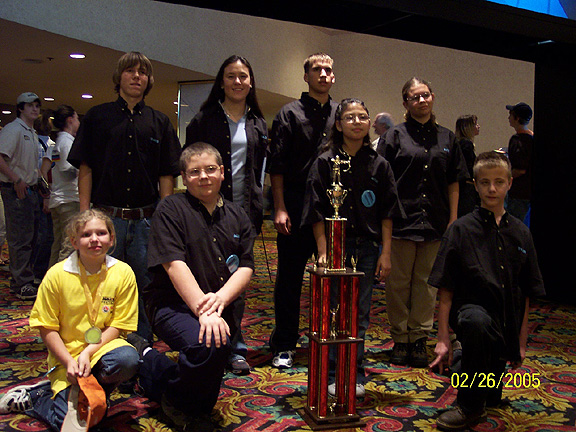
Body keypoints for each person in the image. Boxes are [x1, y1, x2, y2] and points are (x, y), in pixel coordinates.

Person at [126, 143, 255, 432]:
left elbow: (245, 267)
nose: (204, 176)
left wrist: (219, 300)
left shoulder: (238, 215)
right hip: (172, 305)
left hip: (220, 305)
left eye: (210, 169)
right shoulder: (170, 209)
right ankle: (174, 403)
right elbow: (174, 265)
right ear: (184, 178)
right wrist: (204, 311)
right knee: (208, 344)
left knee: (214, 350)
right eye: (195, 172)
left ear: (222, 172)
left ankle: (151, 365)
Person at [68, 52, 182, 341]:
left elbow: (166, 175)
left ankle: (141, 344)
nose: (136, 76)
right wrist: (85, 215)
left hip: (146, 221)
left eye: (142, 72)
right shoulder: (97, 117)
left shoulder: (160, 122)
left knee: (145, 284)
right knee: (101, 284)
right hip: (106, 219)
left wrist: (163, 218)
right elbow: (86, 167)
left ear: (148, 80)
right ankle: (98, 343)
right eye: (130, 71)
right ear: (119, 77)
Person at [428, 151, 545, 431]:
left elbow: (525, 293)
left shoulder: (521, 233)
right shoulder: (460, 230)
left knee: (491, 392)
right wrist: (443, 337)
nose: (492, 189)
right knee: (476, 323)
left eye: (499, 182)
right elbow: (446, 287)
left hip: (505, 320)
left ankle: (472, 370)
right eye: (485, 182)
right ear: (476, 185)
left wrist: (521, 342)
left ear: (509, 184)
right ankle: (469, 406)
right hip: (472, 315)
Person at [0, 209, 140, 430]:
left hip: (102, 349)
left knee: (127, 360)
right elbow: (47, 327)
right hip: (66, 357)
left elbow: (119, 325)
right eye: (86, 235)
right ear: (74, 242)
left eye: (101, 233)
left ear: (112, 238)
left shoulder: (123, 272)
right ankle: (38, 398)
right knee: (72, 425)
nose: (94, 239)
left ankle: (91, 394)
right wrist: (68, 361)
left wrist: (88, 353)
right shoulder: (56, 275)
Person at [302, 98, 401, 396]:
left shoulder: (379, 164)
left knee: (360, 313)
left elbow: (387, 213)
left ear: (369, 123)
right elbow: (316, 210)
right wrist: (323, 250)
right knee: (334, 311)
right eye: (350, 117)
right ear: (338, 123)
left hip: (367, 248)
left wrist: (386, 253)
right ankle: (333, 372)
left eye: (362, 117)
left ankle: (354, 372)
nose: (356, 122)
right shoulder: (325, 162)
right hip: (335, 247)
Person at [184, 55, 268, 375]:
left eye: (243, 76)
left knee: (236, 277)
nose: (237, 82)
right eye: (231, 76)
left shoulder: (258, 123)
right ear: (221, 81)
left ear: (251, 82)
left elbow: (258, 172)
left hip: (243, 213)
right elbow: (191, 164)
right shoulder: (203, 120)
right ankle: (204, 340)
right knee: (205, 275)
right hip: (205, 210)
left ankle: (235, 346)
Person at [377, 77, 468, 368]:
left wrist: (453, 219)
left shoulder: (447, 138)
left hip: (436, 223)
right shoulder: (394, 136)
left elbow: (454, 182)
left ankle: (418, 338)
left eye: (425, 95)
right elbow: (383, 182)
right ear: (405, 103)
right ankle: (400, 339)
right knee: (398, 284)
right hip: (402, 222)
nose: (421, 101)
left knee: (427, 285)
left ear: (433, 97)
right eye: (415, 97)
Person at [267, 53, 338, 369]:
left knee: (332, 281)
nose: (323, 74)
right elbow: (277, 165)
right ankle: (284, 344)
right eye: (316, 69)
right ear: (306, 76)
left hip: (333, 211)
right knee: (289, 281)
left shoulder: (341, 113)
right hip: (294, 207)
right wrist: (279, 207)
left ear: (333, 77)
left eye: (328, 70)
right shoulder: (289, 113)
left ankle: (330, 342)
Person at [0, 92, 42, 300]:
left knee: (31, 236)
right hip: (15, 188)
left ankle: (22, 279)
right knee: (20, 237)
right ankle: (21, 282)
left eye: (37, 105)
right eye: (30, 105)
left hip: (30, 189)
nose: (34, 109)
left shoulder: (31, 132)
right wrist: (16, 179)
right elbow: (0, 158)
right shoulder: (13, 129)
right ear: (20, 108)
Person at [45, 105, 81, 266]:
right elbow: (67, 170)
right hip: (68, 199)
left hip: (60, 199)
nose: (78, 122)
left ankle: (51, 278)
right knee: (68, 245)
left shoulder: (60, 141)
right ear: (70, 120)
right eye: (77, 118)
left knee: (59, 243)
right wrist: (84, 169)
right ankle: (61, 280)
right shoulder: (66, 142)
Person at [505, 102, 534, 222]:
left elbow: (520, 169)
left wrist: (505, 177)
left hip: (519, 193)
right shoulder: (532, 137)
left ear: (517, 118)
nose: (509, 118)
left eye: (511, 115)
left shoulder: (518, 141)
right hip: (528, 191)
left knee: (515, 224)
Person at [454, 115, 480, 216]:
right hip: (467, 188)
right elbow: (469, 168)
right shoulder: (466, 145)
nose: (478, 126)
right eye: (475, 124)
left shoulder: (458, 143)